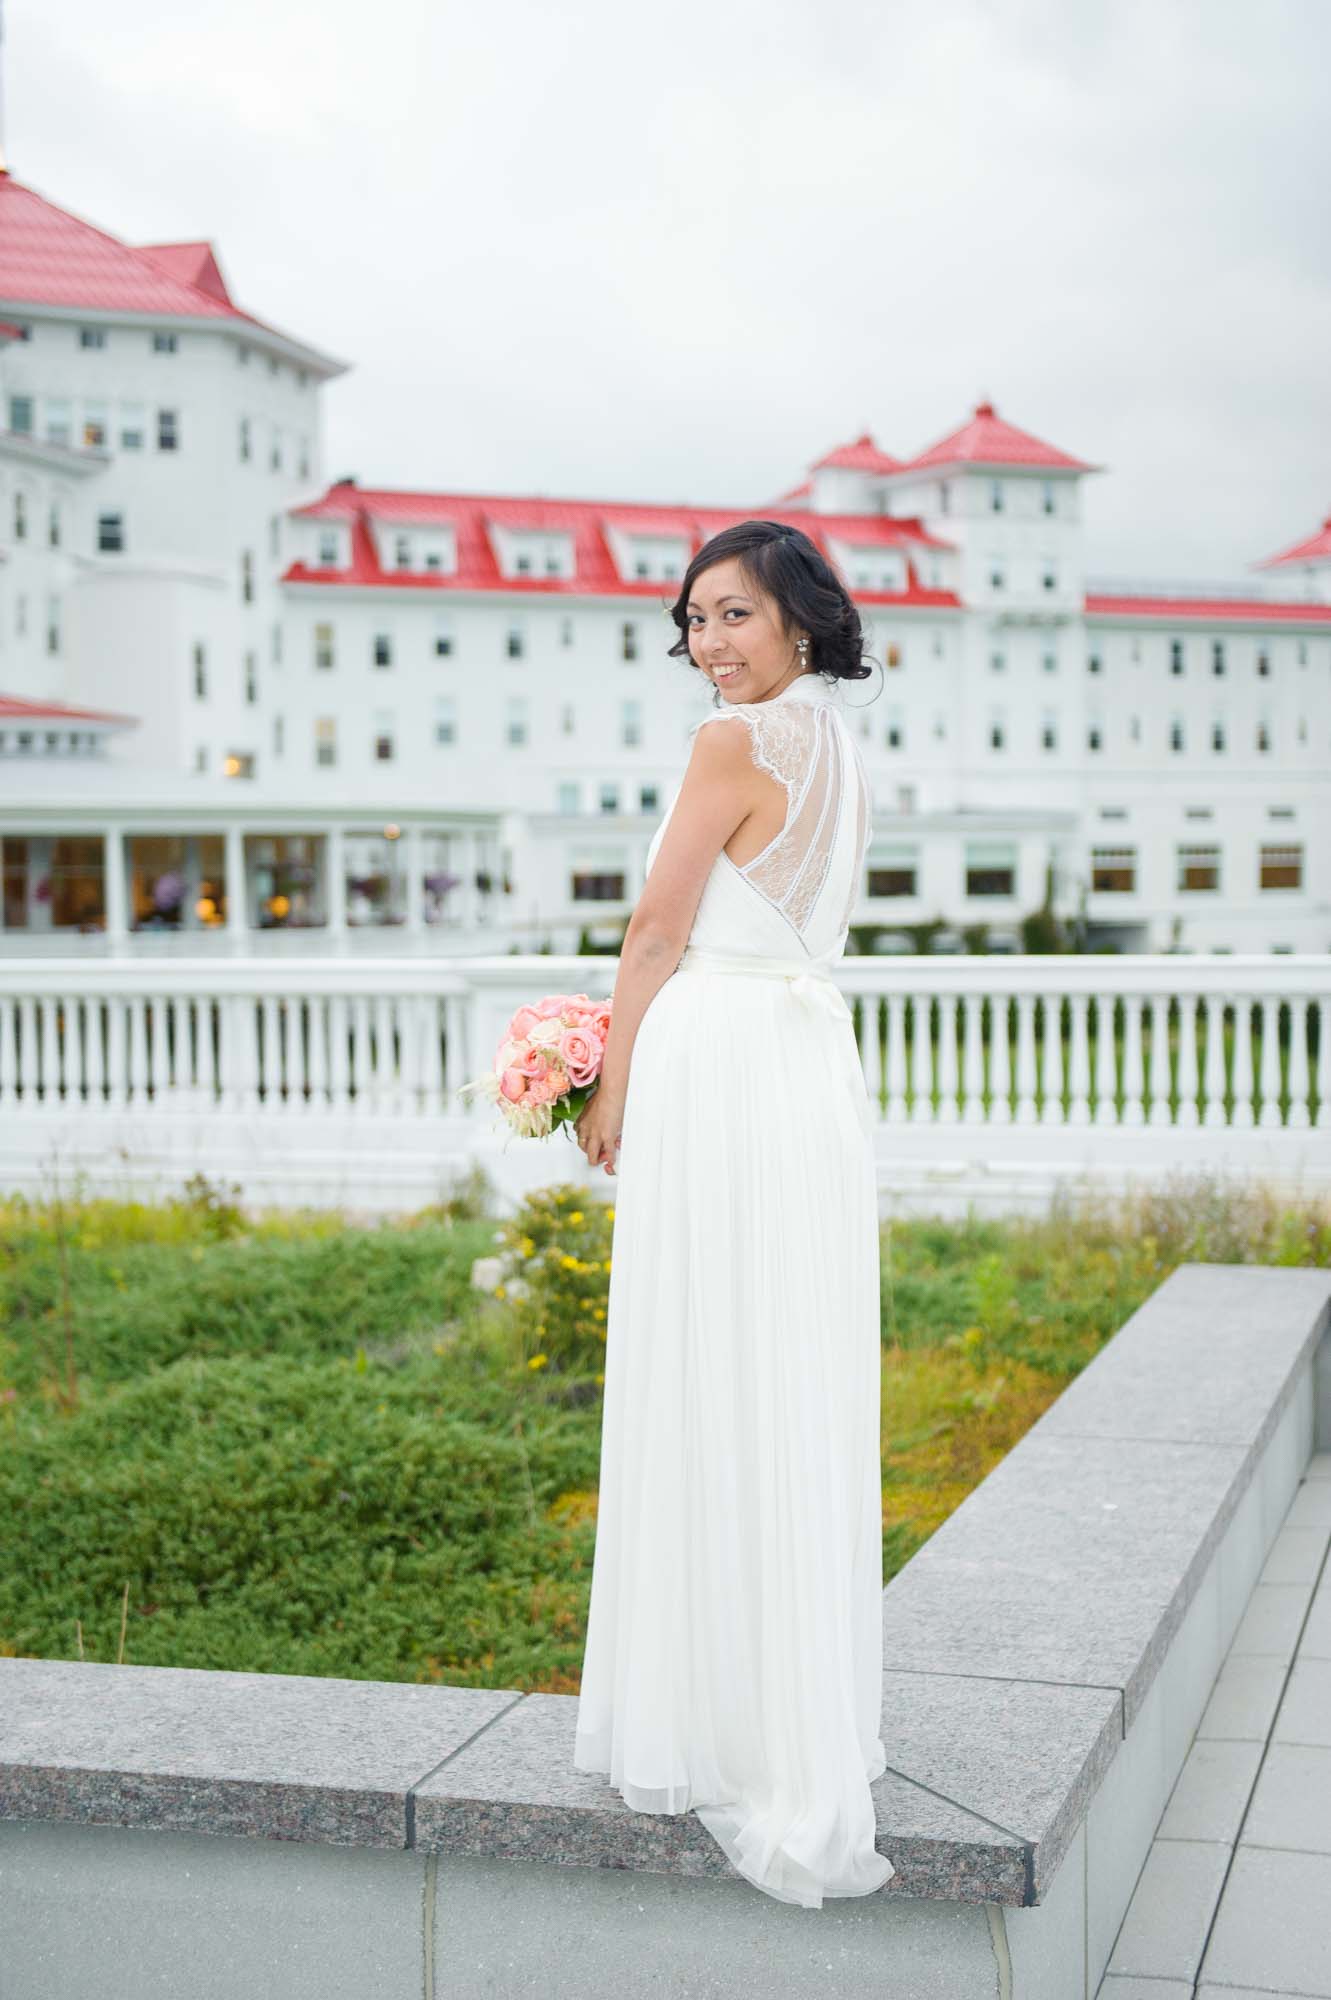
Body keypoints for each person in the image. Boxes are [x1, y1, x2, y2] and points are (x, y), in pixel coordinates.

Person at [571, 518, 893, 1908]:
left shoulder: (731, 746)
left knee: (711, 1371)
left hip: (713, 1065)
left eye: (735, 617)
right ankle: (786, 1714)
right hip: (805, 1064)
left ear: (800, 621)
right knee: (787, 1373)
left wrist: (607, 1076)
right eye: (695, 620)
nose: (710, 643)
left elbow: (657, 927)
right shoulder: (838, 745)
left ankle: (711, 1717)